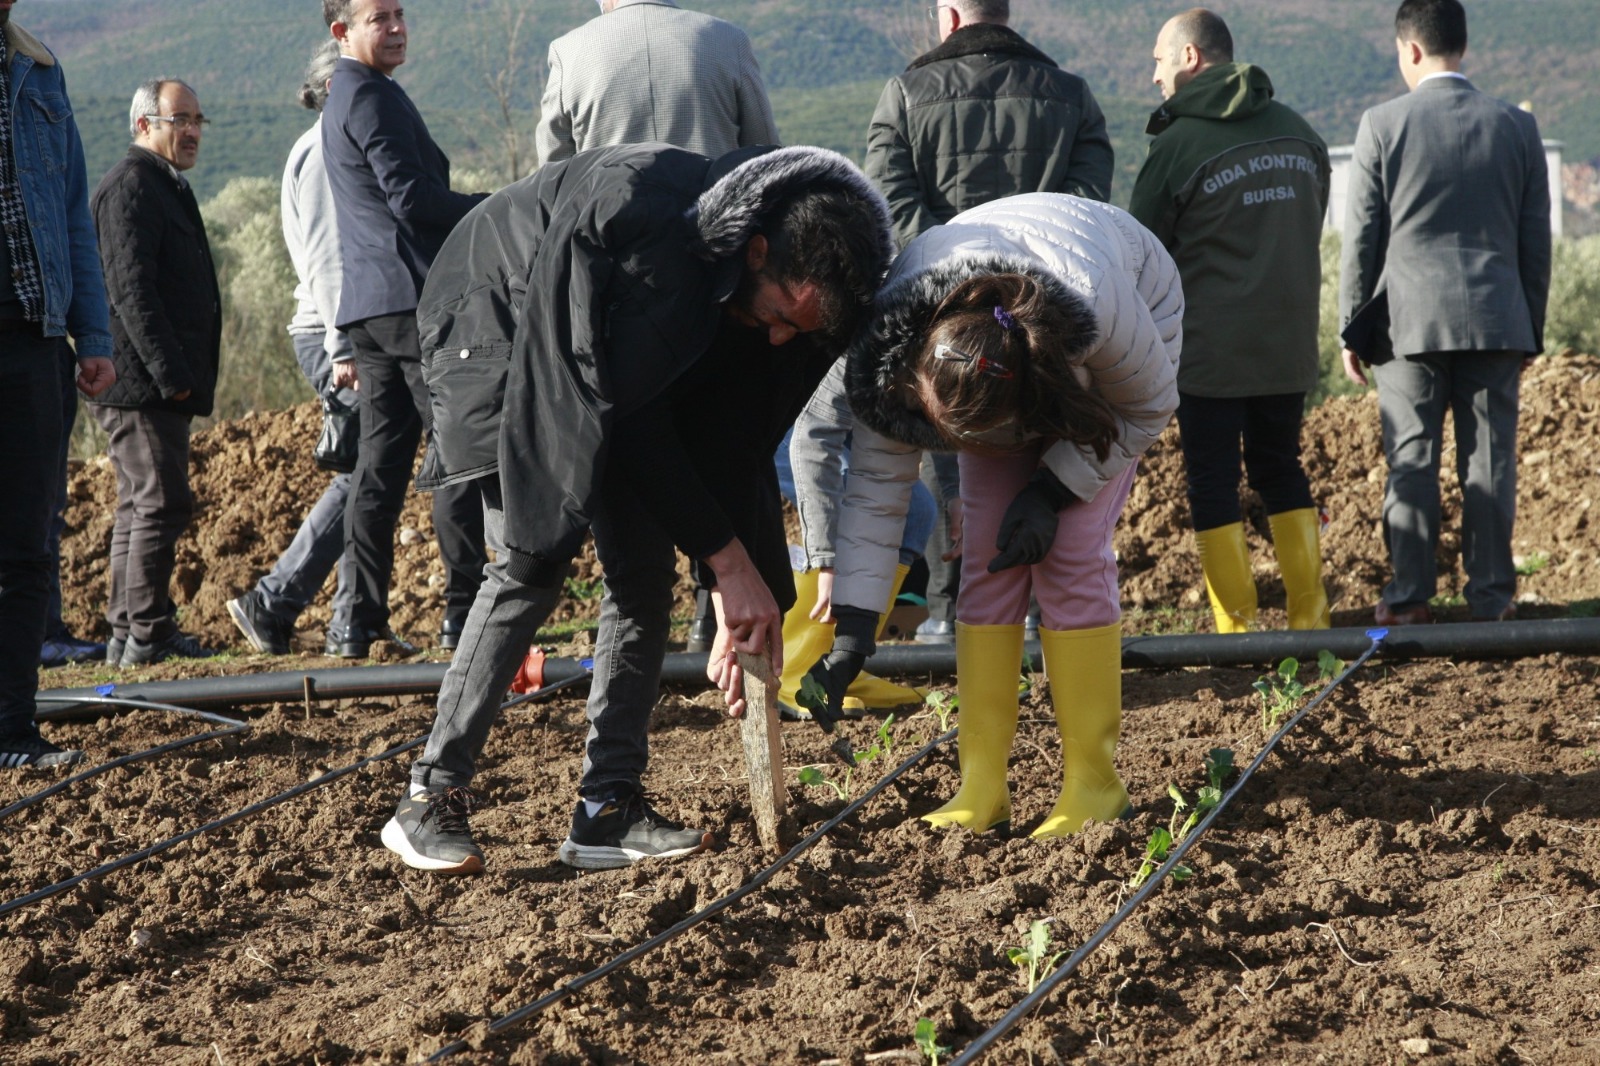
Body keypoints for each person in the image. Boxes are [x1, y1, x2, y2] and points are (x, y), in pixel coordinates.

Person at [380, 142, 891, 875]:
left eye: (800, 333)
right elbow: (629, 422)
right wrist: (727, 561)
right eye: (780, 314)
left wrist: (739, 590)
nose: (782, 338)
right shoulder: (658, 241)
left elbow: (733, 441)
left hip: (611, 355)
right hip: (500, 311)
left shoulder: (788, 305)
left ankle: (605, 810)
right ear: (753, 253)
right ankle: (429, 796)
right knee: (531, 559)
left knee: (643, 573)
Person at [802, 193, 1182, 838]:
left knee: (1068, 554)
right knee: (985, 554)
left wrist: (1052, 489)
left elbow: (1146, 408)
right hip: (988, 352)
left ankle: (1094, 782)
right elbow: (873, 491)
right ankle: (981, 781)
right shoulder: (894, 364)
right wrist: (853, 632)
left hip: (1126, 316)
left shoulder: (1101, 308)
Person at [535, 0, 782, 652]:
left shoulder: (570, 51)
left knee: (638, 450)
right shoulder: (726, 42)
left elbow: (551, 186)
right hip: (720, 289)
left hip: (618, 301)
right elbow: (767, 160)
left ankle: (641, 617)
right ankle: (720, 608)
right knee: (726, 447)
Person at [865, 0, 1115, 645]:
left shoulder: (905, 95)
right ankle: (1044, 618)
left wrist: (955, 279)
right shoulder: (1071, 95)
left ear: (948, 15)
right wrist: (1023, 285)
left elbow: (888, 205)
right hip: (1045, 320)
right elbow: (1088, 207)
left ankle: (952, 618)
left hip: (942, 324)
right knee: (1045, 444)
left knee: (955, 454)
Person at [1339, 0, 1550, 625]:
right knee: (1490, 461)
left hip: (1407, 324)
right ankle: (1491, 597)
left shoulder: (1381, 124)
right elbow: (1534, 243)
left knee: (1411, 459)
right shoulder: (1516, 127)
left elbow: (1362, 239)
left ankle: (1409, 599)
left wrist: (1353, 324)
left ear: (1409, 49)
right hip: (1498, 320)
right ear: (1463, 46)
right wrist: (1528, 329)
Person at [1129, 8, 1331, 632]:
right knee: (1282, 468)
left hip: (1210, 354)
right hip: (1288, 346)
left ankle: (1237, 629)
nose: (1154, 76)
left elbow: (1142, 252)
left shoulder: (1177, 149)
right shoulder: (1301, 134)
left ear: (1190, 57)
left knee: (1212, 482)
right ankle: (1311, 617)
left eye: (1160, 60)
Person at [320, 0, 488, 658]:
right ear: (342, 32)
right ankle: (464, 612)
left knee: (380, 468)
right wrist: (494, 207)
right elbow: (412, 200)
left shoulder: (351, 94)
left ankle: (355, 622)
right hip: (409, 303)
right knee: (457, 456)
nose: (395, 27)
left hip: (370, 304)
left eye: (399, 14)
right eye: (377, 18)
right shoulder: (369, 96)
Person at [0, 0, 116, 767]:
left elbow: (73, 211)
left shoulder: (37, 72)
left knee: (26, 549)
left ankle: (11, 731)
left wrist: (93, 333)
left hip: (32, 339)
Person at [227, 41, 357, 655]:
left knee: (368, 472)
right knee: (366, 473)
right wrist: (344, 345)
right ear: (335, 89)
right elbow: (331, 261)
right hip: (337, 334)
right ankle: (274, 601)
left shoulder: (332, 144)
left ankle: (351, 619)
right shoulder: (330, 150)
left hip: (339, 331)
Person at [88, 78, 220, 669]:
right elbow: (129, 289)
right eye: (179, 120)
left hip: (147, 380)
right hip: (139, 382)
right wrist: (172, 374)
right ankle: (148, 632)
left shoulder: (158, 183)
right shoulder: (132, 186)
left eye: (197, 119)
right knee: (160, 500)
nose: (191, 131)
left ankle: (128, 632)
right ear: (145, 126)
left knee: (140, 502)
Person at [774, 370, 935, 719]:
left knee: (918, 511)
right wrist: (828, 559)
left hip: (847, 408)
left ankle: (842, 666)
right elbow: (813, 442)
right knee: (839, 499)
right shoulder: (889, 339)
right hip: (786, 406)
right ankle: (793, 669)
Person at [535, 0, 779, 165]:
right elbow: (764, 148)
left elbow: (553, 164)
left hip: (609, 231)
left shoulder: (567, 50)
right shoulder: (728, 39)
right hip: (713, 227)